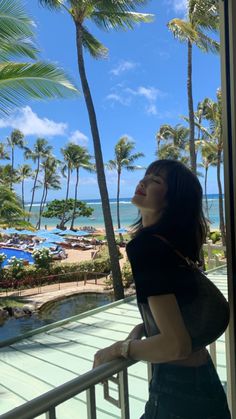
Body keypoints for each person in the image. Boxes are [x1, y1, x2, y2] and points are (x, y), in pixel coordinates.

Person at [93, 159, 231, 418]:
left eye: (156, 180)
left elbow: (175, 345)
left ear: (172, 201)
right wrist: (143, 329)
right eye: (146, 176)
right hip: (204, 381)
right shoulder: (173, 246)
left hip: (177, 392)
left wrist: (116, 350)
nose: (143, 181)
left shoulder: (146, 248)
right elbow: (178, 312)